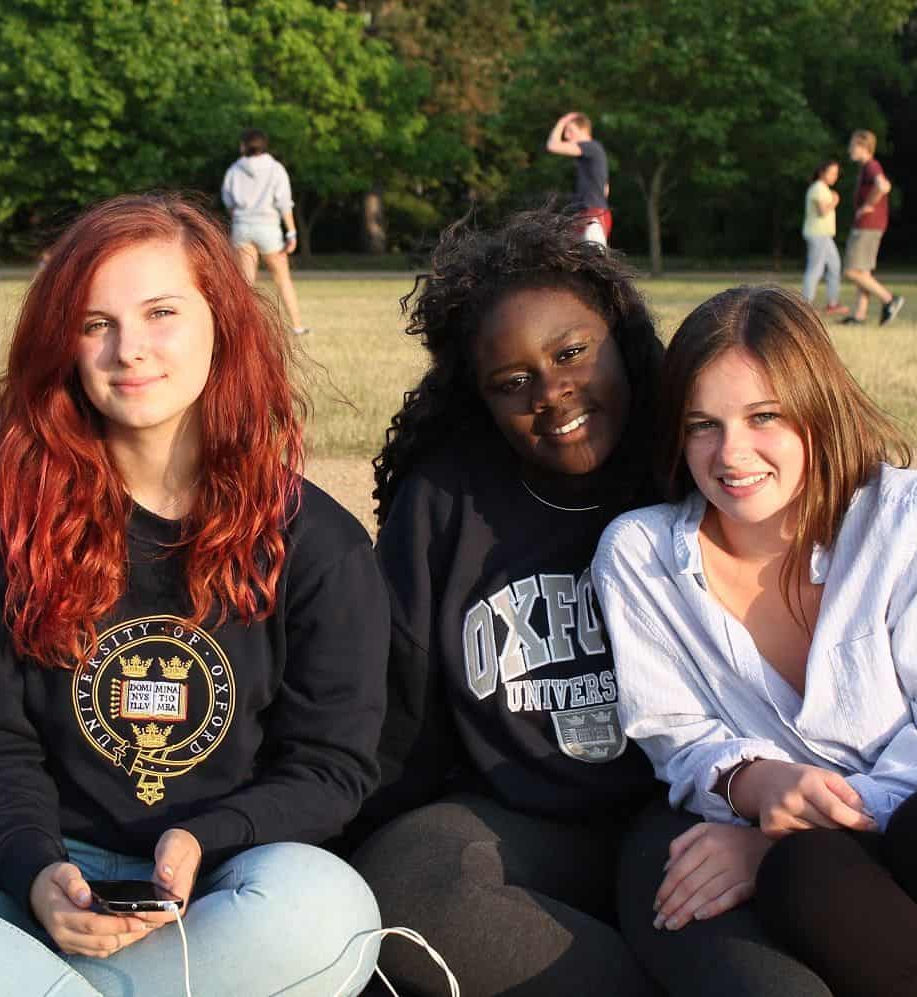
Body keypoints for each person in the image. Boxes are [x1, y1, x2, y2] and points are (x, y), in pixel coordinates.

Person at [0, 193, 390, 997]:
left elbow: (332, 767)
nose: (130, 349)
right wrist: (36, 872)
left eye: (161, 311)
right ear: (65, 345)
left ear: (221, 321)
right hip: (37, 883)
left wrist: (205, 838)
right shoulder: (7, 521)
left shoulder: (318, 542)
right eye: (96, 324)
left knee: (330, 911)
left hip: (221, 896)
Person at [349, 212, 824, 997]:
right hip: (511, 824)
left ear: (622, 333)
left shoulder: (699, 465)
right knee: (406, 883)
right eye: (513, 382)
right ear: (480, 399)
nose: (553, 391)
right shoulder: (444, 501)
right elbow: (397, 710)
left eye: (572, 352)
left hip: (684, 814)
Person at [595, 285, 917, 997]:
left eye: (763, 416)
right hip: (869, 834)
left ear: (815, 411)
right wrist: (753, 783)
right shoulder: (639, 555)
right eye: (703, 423)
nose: (731, 453)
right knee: (803, 882)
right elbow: (673, 729)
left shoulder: (908, 515)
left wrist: (781, 829)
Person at [221, 127, 310, 335]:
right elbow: (284, 203)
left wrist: (240, 220)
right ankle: (296, 326)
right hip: (268, 228)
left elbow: (229, 202)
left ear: (244, 145)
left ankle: (242, 330)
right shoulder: (275, 168)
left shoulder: (234, 169)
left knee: (245, 283)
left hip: (242, 227)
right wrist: (291, 232)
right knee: (282, 278)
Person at [841, 131, 904, 326]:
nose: (849, 149)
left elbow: (883, 186)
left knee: (851, 271)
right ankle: (860, 315)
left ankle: (889, 299)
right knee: (863, 272)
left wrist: (868, 205)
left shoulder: (872, 166)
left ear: (863, 147)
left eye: (853, 145)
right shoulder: (866, 168)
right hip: (872, 225)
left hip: (867, 225)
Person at [546, 111, 612, 246]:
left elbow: (552, 145)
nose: (565, 135)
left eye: (570, 130)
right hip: (589, 214)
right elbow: (606, 189)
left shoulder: (590, 146)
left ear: (583, 129)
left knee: (593, 261)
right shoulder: (594, 153)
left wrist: (562, 121)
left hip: (592, 215)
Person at [801, 161, 848, 317]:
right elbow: (822, 211)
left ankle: (833, 303)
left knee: (835, 266)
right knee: (815, 269)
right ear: (822, 172)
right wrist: (834, 201)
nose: (835, 176)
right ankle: (805, 305)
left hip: (825, 235)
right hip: (817, 234)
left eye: (836, 173)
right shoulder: (817, 188)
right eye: (831, 173)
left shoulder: (824, 189)